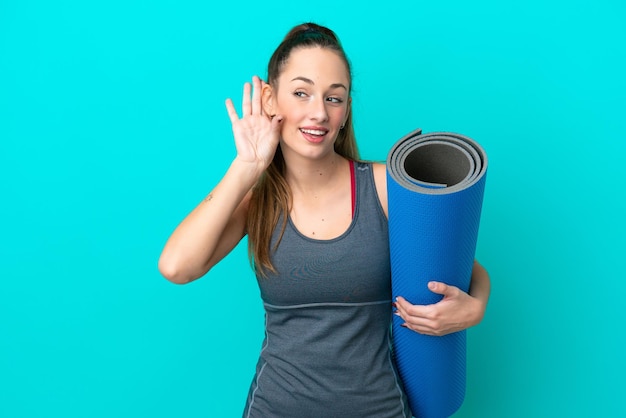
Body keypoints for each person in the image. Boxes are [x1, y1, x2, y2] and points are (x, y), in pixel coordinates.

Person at [158, 22, 490, 418]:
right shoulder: (257, 202)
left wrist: (476, 308)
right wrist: (246, 167)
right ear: (269, 98)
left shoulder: (386, 187)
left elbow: (466, 271)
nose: (319, 113)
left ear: (346, 109)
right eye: (301, 93)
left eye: (335, 98)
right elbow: (177, 267)